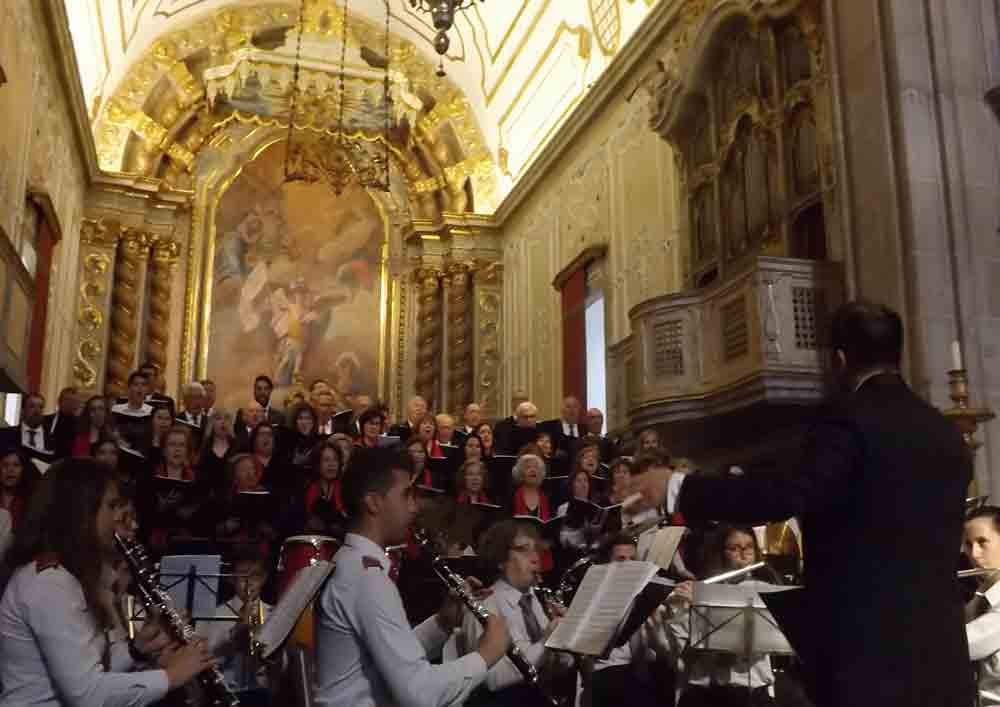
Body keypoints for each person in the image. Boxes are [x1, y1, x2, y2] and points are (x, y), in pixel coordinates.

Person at [632, 300, 975, 707]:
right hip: (943, 656)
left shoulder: (847, 421)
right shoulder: (945, 431)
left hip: (868, 657)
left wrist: (678, 487)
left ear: (840, 360)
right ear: (897, 354)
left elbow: (781, 493)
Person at [0, 458, 215, 705]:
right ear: (82, 512)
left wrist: (137, 650)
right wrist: (171, 676)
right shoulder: (50, 584)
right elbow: (87, 694)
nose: (118, 519)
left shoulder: (66, 577)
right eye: (111, 506)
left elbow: (85, 671)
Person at [314, 446, 511, 706]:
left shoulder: (350, 561)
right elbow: (420, 694)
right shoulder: (368, 579)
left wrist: (442, 623)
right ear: (373, 502)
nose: (414, 507)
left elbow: (388, 656)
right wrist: (486, 654)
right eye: (406, 494)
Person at [652, 525, 780, 707]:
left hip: (751, 693)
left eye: (749, 547)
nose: (743, 554)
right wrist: (679, 609)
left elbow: (756, 644)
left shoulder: (763, 590)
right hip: (704, 693)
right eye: (734, 548)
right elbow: (678, 652)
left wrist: (702, 605)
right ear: (721, 553)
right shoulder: (702, 589)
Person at [458, 519, 573, 706]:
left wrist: (567, 640)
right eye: (523, 549)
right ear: (500, 559)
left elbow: (559, 667)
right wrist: (545, 642)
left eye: (536, 549)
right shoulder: (483, 607)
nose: (535, 558)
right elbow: (492, 680)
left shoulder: (541, 601)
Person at [962, 506, 1000, 705]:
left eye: (982, 542)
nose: (974, 555)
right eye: (968, 544)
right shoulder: (980, 600)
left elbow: (959, 645)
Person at [43, 387, 81, 459]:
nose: (70, 403)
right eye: (68, 400)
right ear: (59, 402)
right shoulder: (46, 420)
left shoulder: (81, 424)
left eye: (74, 401)